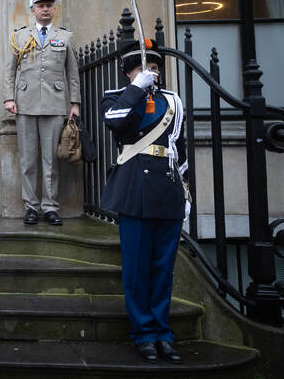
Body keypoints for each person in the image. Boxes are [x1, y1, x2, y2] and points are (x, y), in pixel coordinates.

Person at [101, 39, 188, 364]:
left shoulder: (174, 102)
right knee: (137, 269)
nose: (150, 73)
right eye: (142, 69)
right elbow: (115, 121)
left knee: (162, 269)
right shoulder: (117, 98)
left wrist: (186, 191)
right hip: (134, 188)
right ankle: (143, 334)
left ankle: (163, 332)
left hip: (167, 189)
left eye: (153, 68)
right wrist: (137, 89)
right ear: (129, 73)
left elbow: (181, 147)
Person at [3, 0, 80, 226]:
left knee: (51, 160)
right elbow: (10, 71)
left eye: (49, 6)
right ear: (33, 9)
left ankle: (49, 206)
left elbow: (72, 73)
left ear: (54, 9)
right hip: (25, 105)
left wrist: (74, 103)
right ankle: (31, 206)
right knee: (28, 159)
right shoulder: (20, 36)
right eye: (40, 6)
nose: (45, 10)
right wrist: (8, 97)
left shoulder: (65, 37)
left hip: (55, 105)